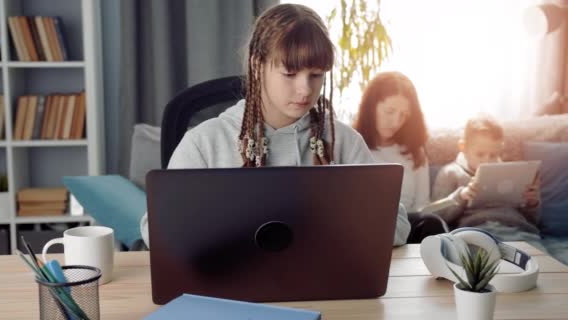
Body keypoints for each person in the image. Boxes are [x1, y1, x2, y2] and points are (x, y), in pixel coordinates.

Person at [140, 4, 410, 248]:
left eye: (316, 75)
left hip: (324, 288)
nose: (305, 89)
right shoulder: (204, 143)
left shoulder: (344, 141)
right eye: (290, 74)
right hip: (230, 288)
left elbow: (397, 226)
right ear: (257, 66)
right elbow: (156, 231)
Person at [353, 71, 445, 243]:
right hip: (366, 226)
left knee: (432, 223)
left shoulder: (414, 152)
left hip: (408, 225)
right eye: (390, 111)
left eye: (404, 115)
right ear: (371, 106)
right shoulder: (351, 145)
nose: (396, 122)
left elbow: (422, 206)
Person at [432, 116, 542, 242]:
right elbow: (436, 216)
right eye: (480, 154)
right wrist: (461, 196)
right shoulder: (451, 172)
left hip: (519, 231)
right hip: (477, 231)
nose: (487, 160)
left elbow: (535, 221)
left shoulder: (512, 173)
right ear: (463, 147)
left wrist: (532, 203)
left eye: (493, 155)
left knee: (536, 259)